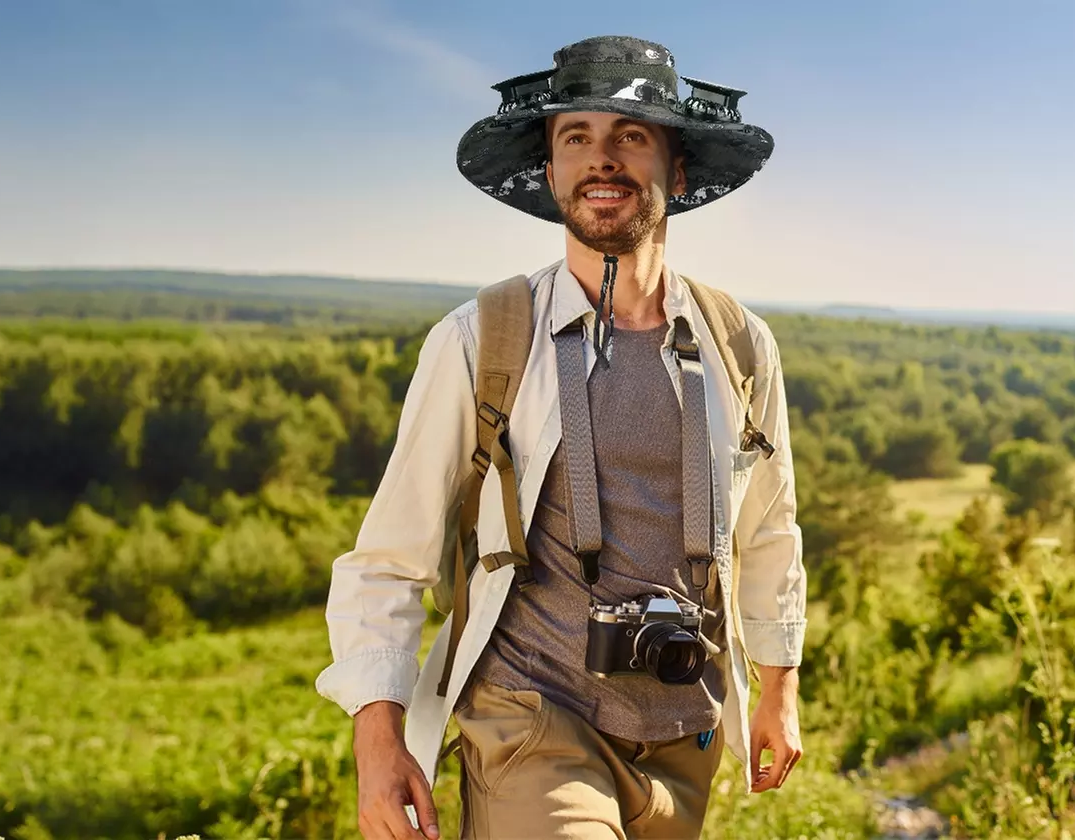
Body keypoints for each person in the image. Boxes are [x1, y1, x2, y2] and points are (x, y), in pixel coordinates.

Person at [316, 34, 807, 840]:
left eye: (631, 136)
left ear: (676, 171)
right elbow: (389, 557)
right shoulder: (484, 339)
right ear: (550, 173)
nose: (601, 159)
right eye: (576, 138)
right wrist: (379, 740)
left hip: (687, 730)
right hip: (532, 716)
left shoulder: (740, 344)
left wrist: (779, 688)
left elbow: (769, 529)